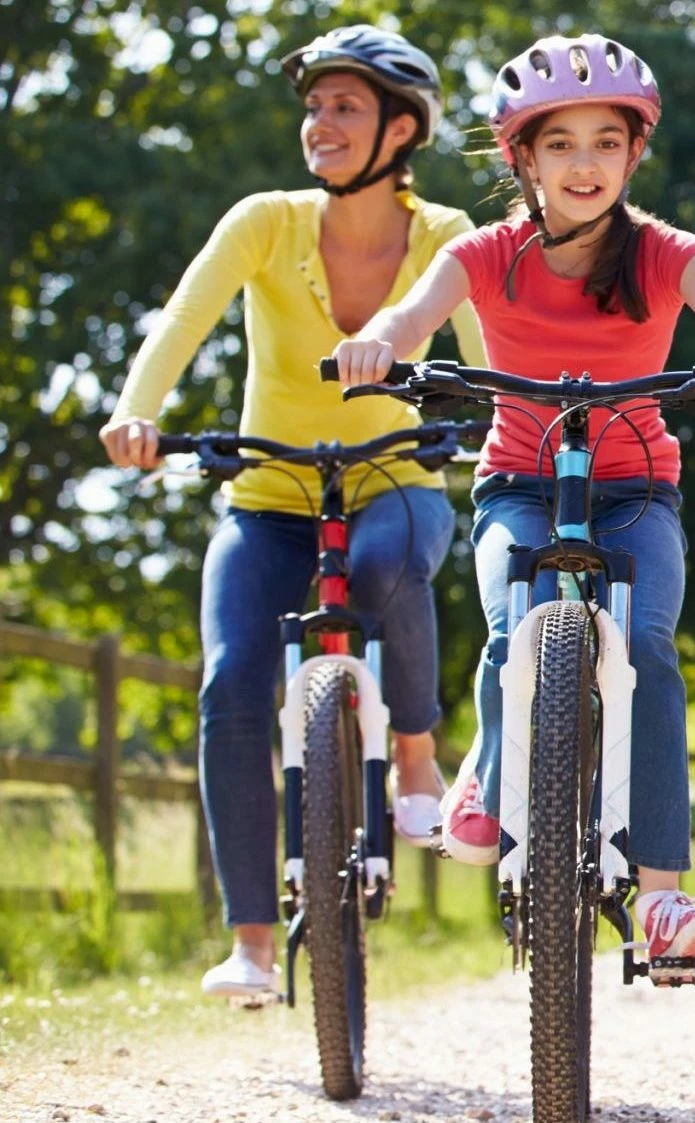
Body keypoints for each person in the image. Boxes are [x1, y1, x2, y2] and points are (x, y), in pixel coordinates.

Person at [332, 33, 695, 968]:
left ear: (635, 154)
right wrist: (380, 343)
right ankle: (489, 770)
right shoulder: (484, 254)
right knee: (515, 620)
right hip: (518, 481)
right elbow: (410, 315)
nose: (584, 162)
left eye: (605, 141)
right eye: (560, 143)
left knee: (644, 647)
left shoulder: (670, 253)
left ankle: (663, 900)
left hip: (638, 491)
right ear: (522, 158)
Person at [99, 25, 486, 1001]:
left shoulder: (446, 239)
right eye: (313, 106)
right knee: (232, 683)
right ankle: (253, 946)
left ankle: (412, 754)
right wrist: (136, 412)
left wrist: (505, 431)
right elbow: (183, 319)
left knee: (387, 567)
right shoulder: (264, 220)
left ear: (402, 128)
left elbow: (488, 367)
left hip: (394, 479)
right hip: (269, 494)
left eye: (344, 107)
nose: (320, 123)